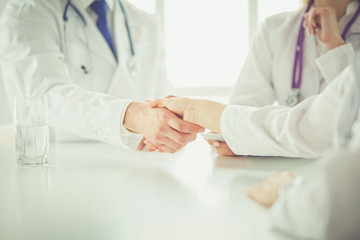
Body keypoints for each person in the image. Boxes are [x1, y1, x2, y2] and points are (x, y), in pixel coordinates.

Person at [147, 0, 360, 158]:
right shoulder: (276, 28)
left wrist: (335, 46)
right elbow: (245, 104)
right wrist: (238, 137)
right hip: (285, 167)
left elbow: (349, 111)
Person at [0, 0, 204, 153]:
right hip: (62, 171)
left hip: (141, 171)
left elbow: (163, 99)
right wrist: (132, 115)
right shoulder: (27, 11)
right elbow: (43, 97)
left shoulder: (145, 23)